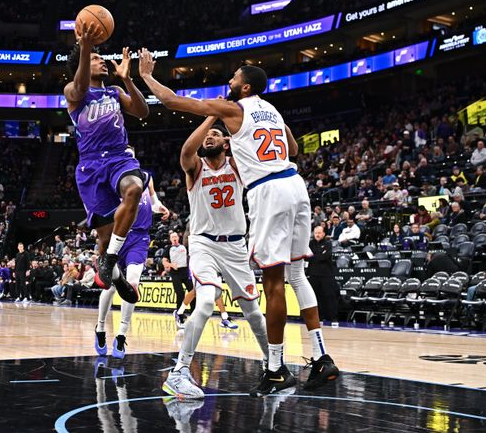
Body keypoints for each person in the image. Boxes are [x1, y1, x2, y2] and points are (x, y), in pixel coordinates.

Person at [139, 54, 338, 396]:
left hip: (268, 193)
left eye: (232, 79)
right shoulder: (273, 111)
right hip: (295, 184)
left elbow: (172, 100)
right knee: (297, 275)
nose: (228, 82)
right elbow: (290, 147)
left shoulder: (234, 109)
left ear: (244, 86)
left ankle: (274, 369)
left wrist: (146, 76)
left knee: (274, 283)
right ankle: (321, 357)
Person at [163, 119, 270, 399]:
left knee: (254, 313)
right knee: (207, 299)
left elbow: (251, 150)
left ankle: (273, 363)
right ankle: (179, 371)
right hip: (204, 243)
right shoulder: (195, 168)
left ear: (226, 143)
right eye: (206, 136)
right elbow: (187, 151)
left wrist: (231, 136)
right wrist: (210, 117)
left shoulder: (236, 165)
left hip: (235, 246)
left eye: (215, 136)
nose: (208, 138)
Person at [65, 25, 149, 304]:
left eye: (101, 58)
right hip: (90, 166)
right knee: (102, 238)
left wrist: (127, 80)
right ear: (83, 64)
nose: (102, 61)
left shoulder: (113, 91)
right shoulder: (73, 92)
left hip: (119, 157)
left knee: (134, 189)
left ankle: (111, 258)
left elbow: (142, 111)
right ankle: (111, 269)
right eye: (95, 59)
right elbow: (78, 87)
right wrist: (85, 47)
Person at [96, 169, 168, 359]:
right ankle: (101, 327)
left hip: (139, 237)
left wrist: (159, 207)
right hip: (118, 236)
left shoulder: (146, 176)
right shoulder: (112, 178)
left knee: (132, 284)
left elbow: (153, 201)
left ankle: (121, 335)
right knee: (110, 287)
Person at [307, 226, 338, 324]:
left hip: (326, 275)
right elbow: (307, 256)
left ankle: (333, 318)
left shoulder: (328, 244)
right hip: (313, 274)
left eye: (319, 233)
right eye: (316, 233)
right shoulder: (310, 244)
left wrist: (314, 256)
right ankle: (319, 317)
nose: (317, 235)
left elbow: (324, 256)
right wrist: (316, 255)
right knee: (315, 297)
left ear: (324, 234)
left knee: (329, 296)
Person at [163, 231, 191, 317]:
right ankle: (179, 313)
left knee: (192, 291)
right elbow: (164, 262)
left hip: (185, 272)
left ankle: (193, 311)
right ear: (170, 239)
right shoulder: (168, 248)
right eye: (172, 237)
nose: (174, 238)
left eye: (175, 236)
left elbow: (189, 257)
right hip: (175, 273)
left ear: (178, 238)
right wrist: (171, 265)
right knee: (180, 293)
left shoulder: (184, 247)